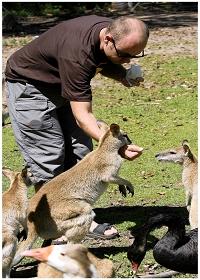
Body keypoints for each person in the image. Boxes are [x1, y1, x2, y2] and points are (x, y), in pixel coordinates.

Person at [4, 15, 149, 241]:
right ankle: (52, 224)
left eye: (135, 54)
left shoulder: (110, 32)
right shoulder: (77, 54)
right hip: (30, 86)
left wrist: (121, 73)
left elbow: (101, 61)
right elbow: (85, 117)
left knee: (81, 151)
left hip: (62, 83)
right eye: (125, 55)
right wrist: (116, 148)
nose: (129, 60)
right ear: (108, 39)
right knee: (49, 157)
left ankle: (79, 215)